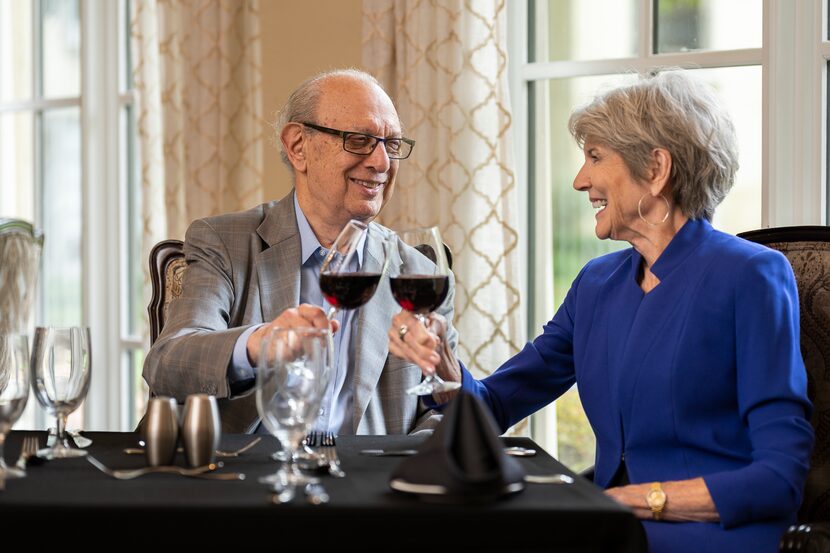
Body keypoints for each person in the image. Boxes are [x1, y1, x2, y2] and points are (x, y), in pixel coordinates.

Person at [388, 71, 813, 552]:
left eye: (594, 157)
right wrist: (444, 367)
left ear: (655, 169)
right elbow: (494, 405)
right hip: (613, 526)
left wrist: (641, 500)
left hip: (713, 532)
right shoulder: (597, 284)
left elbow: (780, 476)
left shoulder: (751, 275)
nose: (579, 180)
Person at [143, 68, 458, 435]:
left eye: (391, 144)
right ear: (297, 147)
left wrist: (402, 469)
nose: (382, 163)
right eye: (359, 140)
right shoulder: (224, 242)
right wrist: (260, 344)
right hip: (247, 478)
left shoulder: (418, 272)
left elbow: (439, 411)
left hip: (366, 483)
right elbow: (168, 364)